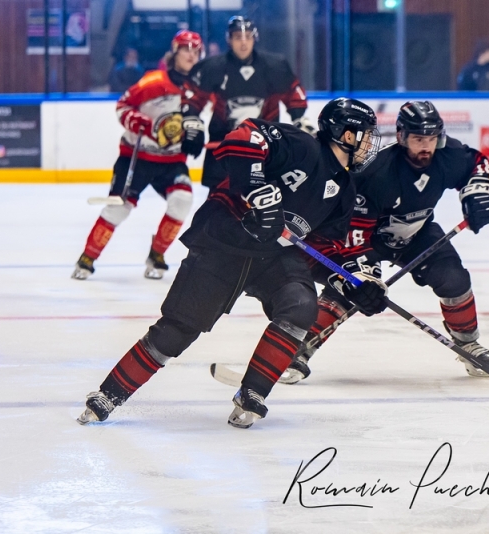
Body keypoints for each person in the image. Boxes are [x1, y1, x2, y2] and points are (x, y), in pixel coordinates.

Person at [76, 98, 387, 429]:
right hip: (223, 243)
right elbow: (244, 137)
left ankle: (253, 392)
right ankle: (109, 394)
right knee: (178, 331)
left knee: (300, 305)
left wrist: (353, 283)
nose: (370, 144)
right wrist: (258, 192)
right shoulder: (302, 145)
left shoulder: (344, 190)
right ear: (345, 135)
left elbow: (321, 251)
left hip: (274, 258)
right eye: (365, 135)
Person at [280, 100, 489, 385]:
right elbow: (354, 229)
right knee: (351, 287)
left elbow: (477, 163)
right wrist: (363, 273)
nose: (426, 146)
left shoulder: (450, 156)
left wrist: (476, 193)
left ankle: (468, 344)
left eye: (431, 139)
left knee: (453, 277)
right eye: (418, 139)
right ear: (402, 137)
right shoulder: (376, 173)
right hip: (370, 237)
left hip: (418, 233)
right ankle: (299, 348)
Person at [72, 31, 204, 281]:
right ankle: (87, 258)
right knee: (119, 209)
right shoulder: (153, 81)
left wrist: (196, 133)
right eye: (186, 49)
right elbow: (123, 106)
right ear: (174, 52)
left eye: (196, 51)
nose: (191, 54)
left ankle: (156, 255)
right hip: (137, 157)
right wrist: (146, 125)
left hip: (172, 162)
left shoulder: (198, 89)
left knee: (182, 201)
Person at [181, 16, 314, 190]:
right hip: (224, 147)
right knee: (217, 208)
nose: (243, 43)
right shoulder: (212, 68)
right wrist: (192, 122)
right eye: (238, 37)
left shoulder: (275, 66)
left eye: (248, 37)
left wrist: (298, 118)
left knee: (267, 204)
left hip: (266, 148)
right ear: (229, 39)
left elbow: (293, 94)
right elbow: (193, 97)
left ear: (254, 38)